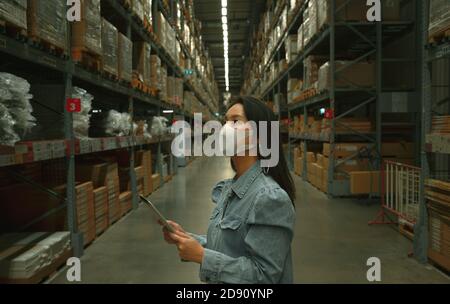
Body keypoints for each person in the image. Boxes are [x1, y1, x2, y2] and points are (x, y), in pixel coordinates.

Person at [161, 96, 296, 284]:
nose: (225, 129)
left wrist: (202, 257)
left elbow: (264, 276)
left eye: (235, 121)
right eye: (225, 121)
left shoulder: (270, 198)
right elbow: (230, 247)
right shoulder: (231, 187)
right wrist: (186, 238)